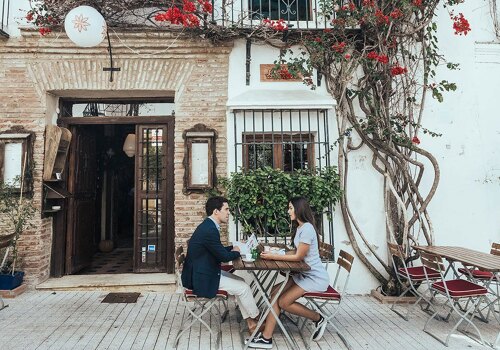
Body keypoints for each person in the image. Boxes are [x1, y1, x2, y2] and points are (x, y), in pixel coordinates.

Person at [248, 196, 330, 349]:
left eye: (291, 208)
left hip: (314, 277)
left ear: (299, 209)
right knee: (274, 292)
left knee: (284, 302)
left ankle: (318, 318)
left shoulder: (307, 228)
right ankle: (267, 333)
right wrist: (278, 252)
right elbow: (297, 251)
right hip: (302, 274)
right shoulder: (300, 227)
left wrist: (273, 255)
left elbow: (299, 256)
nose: (288, 211)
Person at [181, 196, 261, 333]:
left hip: (205, 271)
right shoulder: (210, 230)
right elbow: (223, 257)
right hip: (202, 278)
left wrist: (234, 247)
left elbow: (217, 250)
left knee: (241, 282)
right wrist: (237, 250)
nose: (228, 212)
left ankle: (251, 323)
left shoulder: (209, 225)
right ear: (216, 211)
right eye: (226, 209)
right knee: (243, 288)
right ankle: (257, 319)